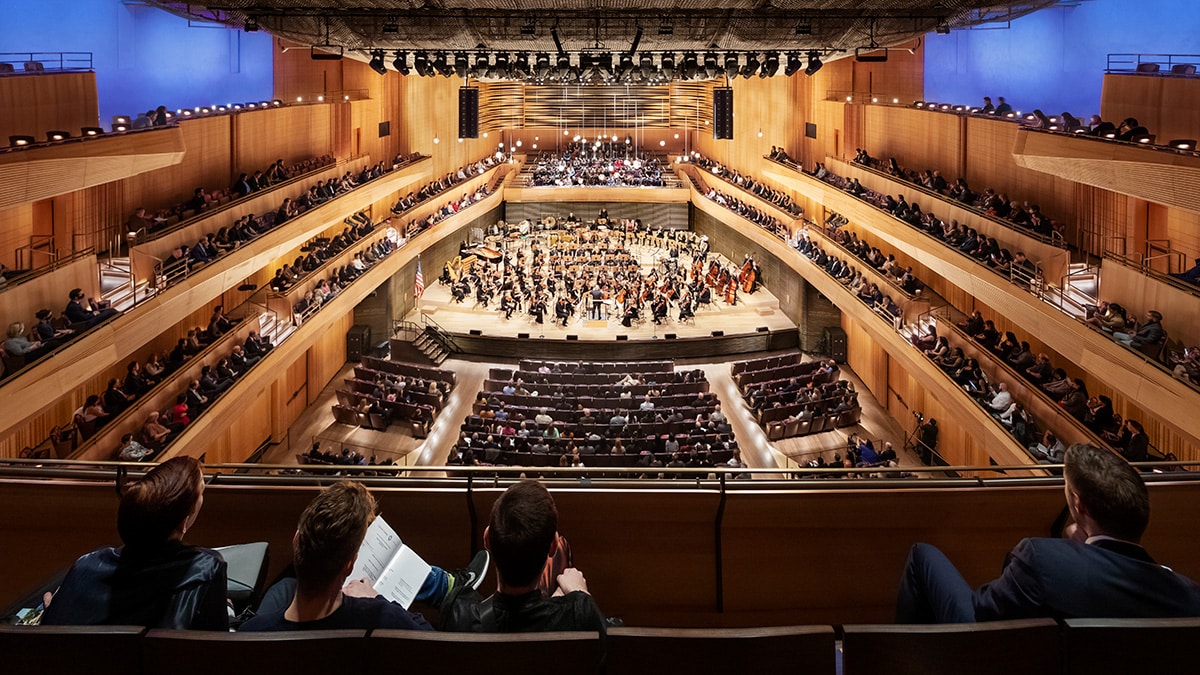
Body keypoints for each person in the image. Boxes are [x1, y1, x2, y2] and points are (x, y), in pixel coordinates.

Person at [896, 443, 1200, 623]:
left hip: (988, 655)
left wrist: (1068, 549)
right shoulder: (1189, 598)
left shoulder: (1041, 559)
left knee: (923, 555)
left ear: (1079, 505)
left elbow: (983, 615)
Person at [240, 480, 488, 631]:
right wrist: (377, 599)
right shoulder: (380, 617)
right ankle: (449, 587)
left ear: (296, 540)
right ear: (349, 565)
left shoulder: (253, 632)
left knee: (284, 585)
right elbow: (431, 644)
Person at [41, 457, 229, 630]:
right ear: (183, 522)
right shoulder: (206, 568)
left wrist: (51, 611)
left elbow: (55, 634)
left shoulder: (86, 566)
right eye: (202, 491)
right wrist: (224, 607)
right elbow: (214, 648)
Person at [443, 480, 606, 633]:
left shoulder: (457, 613)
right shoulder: (580, 615)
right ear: (553, 546)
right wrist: (581, 593)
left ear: (487, 540)